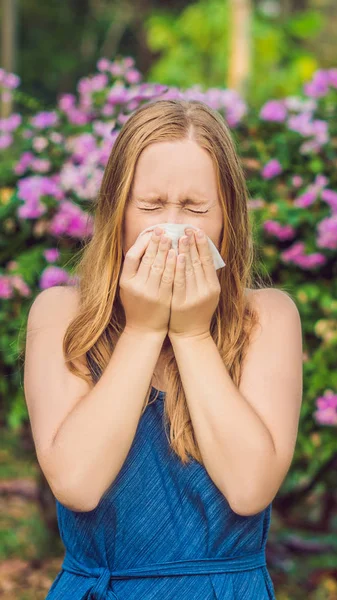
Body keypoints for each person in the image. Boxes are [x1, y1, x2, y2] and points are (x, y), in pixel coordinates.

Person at [24, 98, 303, 599]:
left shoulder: (268, 318)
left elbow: (250, 488)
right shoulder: (61, 315)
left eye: (196, 209)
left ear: (227, 218)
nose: (172, 228)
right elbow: (77, 483)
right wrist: (144, 330)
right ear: (118, 211)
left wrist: (193, 335)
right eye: (151, 206)